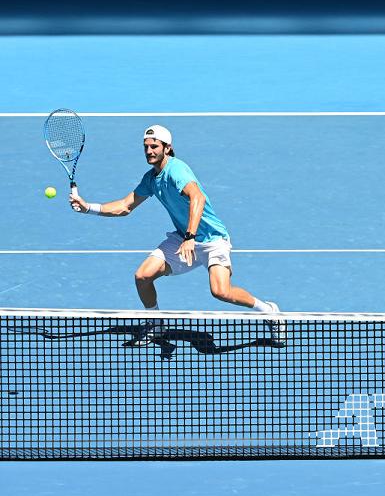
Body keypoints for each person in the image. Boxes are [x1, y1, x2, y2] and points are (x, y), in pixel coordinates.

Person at [69, 124, 287, 347]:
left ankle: (269, 311)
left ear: (167, 148)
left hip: (211, 240)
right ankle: (156, 323)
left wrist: (191, 237)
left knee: (221, 292)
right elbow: (125, 206)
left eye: (154, 146)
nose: (149, 151)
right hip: (183, 238)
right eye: (146, 147)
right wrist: (88, 208)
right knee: (143, 276)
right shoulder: (151, 179)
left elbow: (198, 198)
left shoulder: (177, 170)